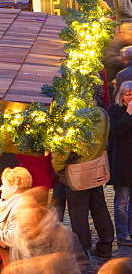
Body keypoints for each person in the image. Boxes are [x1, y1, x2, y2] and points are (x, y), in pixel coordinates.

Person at [51, 107, 115, 259]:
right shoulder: (102, 113)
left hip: (76, 171)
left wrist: (58, 169)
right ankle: (106, 245)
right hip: (95, 168)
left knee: (78, 213)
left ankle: (82, 250)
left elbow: (63, 150)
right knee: (99, 207)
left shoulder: (71, 114)